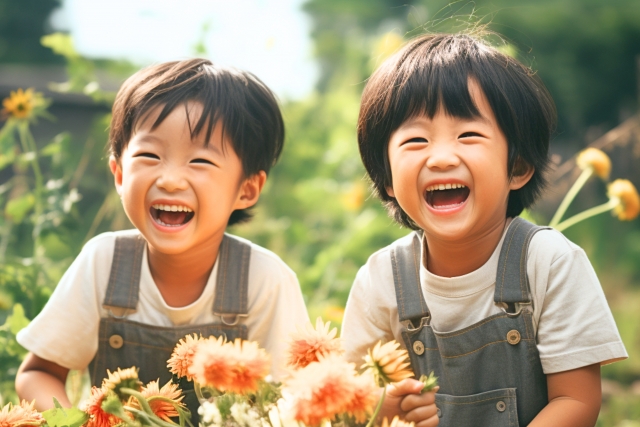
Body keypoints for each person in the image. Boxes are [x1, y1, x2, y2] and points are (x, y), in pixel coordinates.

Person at [342, 33, 628, 427]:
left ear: (518, 167)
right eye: (416, 140)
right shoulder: (380, 282)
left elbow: (577, 401)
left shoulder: (548, 262)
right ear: (387, 178)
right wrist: (382, 409)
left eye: (469, 135)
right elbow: (352, 402)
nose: (441, 157)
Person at [15, 59, 309, 417]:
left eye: (200, 162)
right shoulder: (104, 263)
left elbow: (292, 401)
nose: (170, 179)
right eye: (149, 155)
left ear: (246, 190)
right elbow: (38, 373)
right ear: (120, 175)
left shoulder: (265, 281)